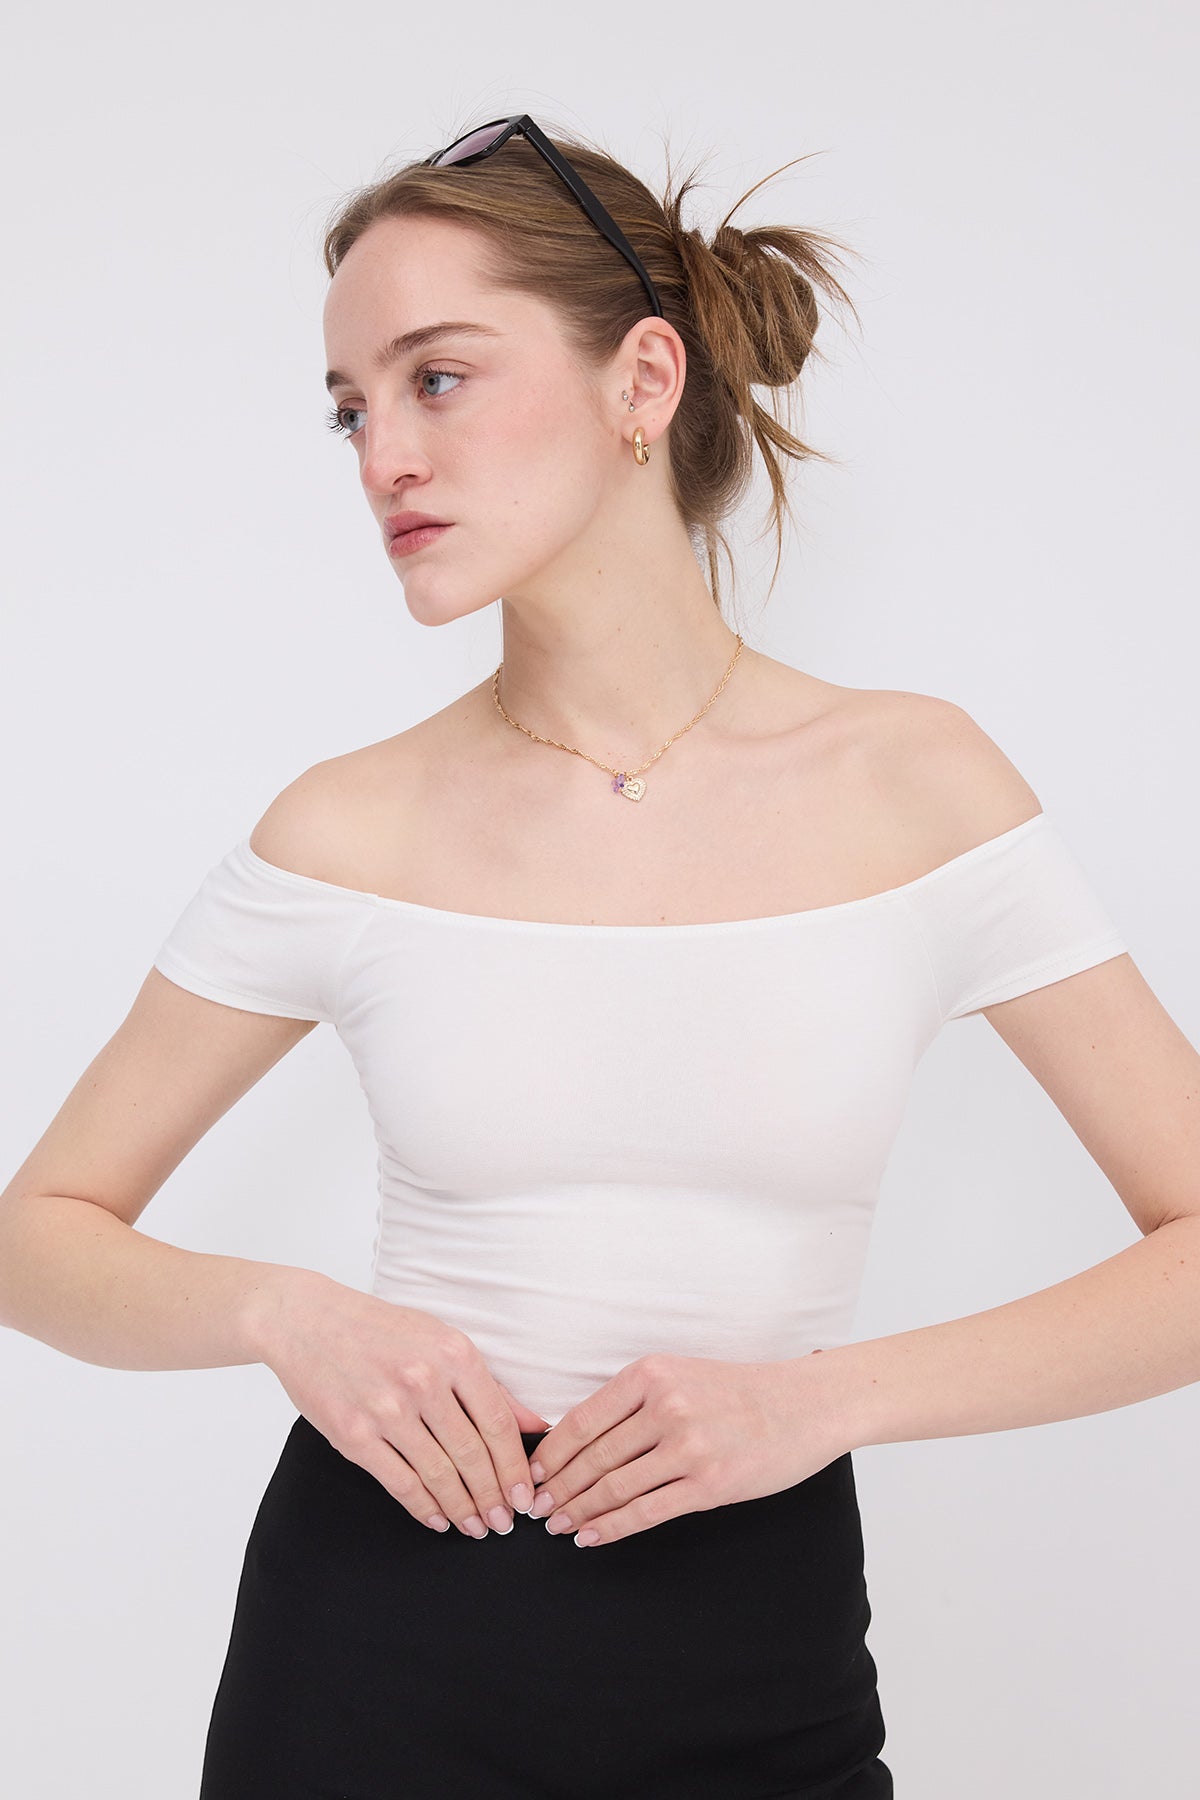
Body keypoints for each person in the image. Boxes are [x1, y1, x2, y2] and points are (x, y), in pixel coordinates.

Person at [2, 111, 1196, 1799]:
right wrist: (287, 1315)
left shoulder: (915, 783)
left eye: (436, 379)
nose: (383, 457)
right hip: (373, 1654)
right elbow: (37, 1236)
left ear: (644, 378)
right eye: (350, 408)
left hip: (763, 1656)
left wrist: (822, 1403)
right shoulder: (347, 826)